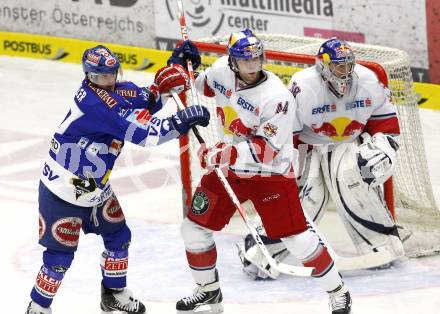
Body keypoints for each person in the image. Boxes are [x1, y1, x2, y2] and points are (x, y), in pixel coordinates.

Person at [171, 29, 353, 314]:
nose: (253, 66)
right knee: (193, 229)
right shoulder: (221, 70)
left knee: (297, 240)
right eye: (246, 60)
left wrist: (221, 154)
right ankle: (208, 292)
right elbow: (200, 87)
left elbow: (268, 151)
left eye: (257, 58)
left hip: (270, 174)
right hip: (230, 169)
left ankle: (337, 291)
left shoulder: (276, 97)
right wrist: (183, 66)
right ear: (232, 60)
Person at [25, 45, 210, 314]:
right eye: (101, 76)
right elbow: (144, 133)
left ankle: (114, 294)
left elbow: (151, 99)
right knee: (59, 258)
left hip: (95, 189)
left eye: (112, 73)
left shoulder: (118, 90)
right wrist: (181, 120)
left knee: (119, 236)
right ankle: (38, 308)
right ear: (89, 75)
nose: (109, 80)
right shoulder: (93, 103)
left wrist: (175, 66)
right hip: (62, 191)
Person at [239, 37, 405, 280]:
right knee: (309, 201)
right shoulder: (304, 86)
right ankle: (260, 250)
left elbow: (387, 127)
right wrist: (285, 169)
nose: (345, 72)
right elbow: (288, 133)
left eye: (348, 65)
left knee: (352, 179)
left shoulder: (369, 80)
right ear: (323, 65)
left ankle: (380, 246)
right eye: (339, 66)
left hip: (348, 146)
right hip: (309, 148)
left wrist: (380, 153)